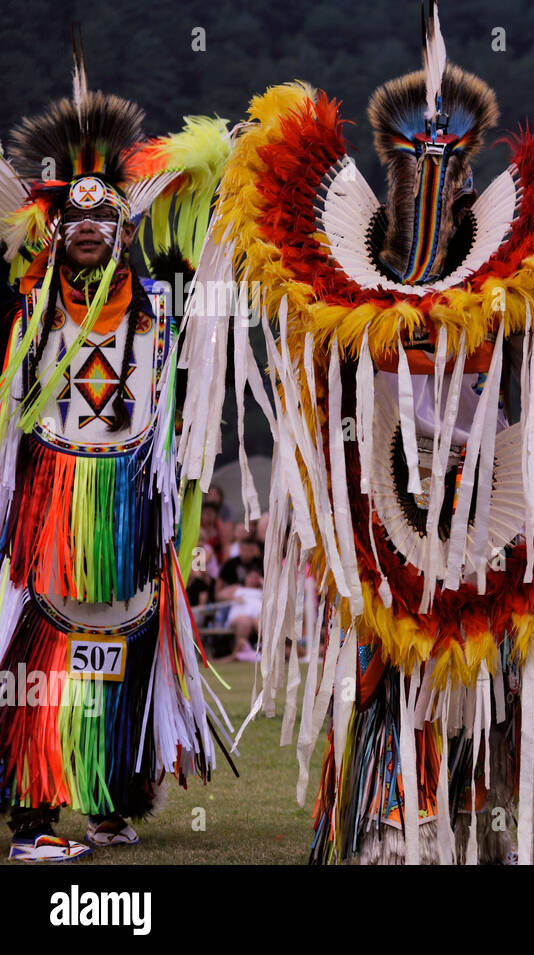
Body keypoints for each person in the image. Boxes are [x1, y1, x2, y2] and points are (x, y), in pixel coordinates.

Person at [184, 9, 534, 865]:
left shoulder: (514, 272)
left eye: (451, 166)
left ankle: (485, 831)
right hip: (377, 501)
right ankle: (395, 831)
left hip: (491, 501)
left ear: (470, 177)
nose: (434, 179)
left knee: (490, 672)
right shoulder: (336, 272)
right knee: (391, 669)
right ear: (388, 168)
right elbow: (314, 366)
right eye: (415, 164)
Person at [0, 55, 232, 861]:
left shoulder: (166, 306)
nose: (91, 229)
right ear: (55, 230)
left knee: (122, 644)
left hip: (133, 499)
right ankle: (33, 817)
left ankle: (107, 799)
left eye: (106, 220)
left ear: (127, 230)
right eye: (76, 219)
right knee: (49, 647)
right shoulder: (25, 307)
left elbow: (213, 343)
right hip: (50, 501)